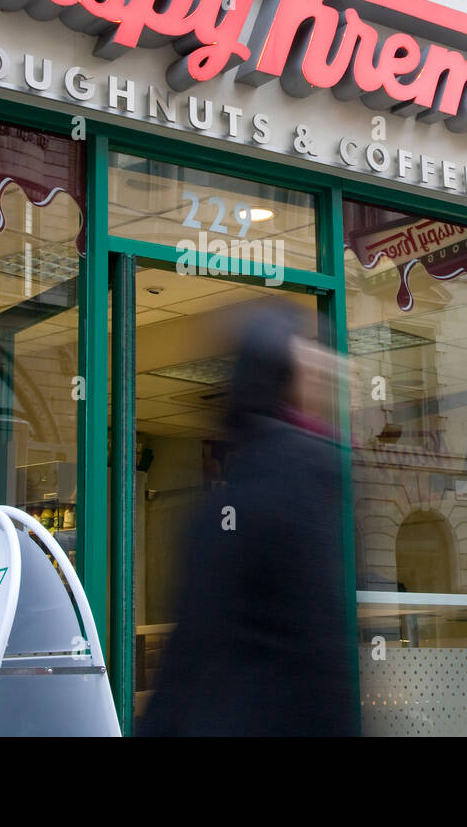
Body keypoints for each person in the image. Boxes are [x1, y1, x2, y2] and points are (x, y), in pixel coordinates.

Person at [136, 303, 357, 736]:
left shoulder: (219, 501)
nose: (325, 361)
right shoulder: (307, 471)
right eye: (310, 348)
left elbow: (183, 659)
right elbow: (322, 648)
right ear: (286, 371)